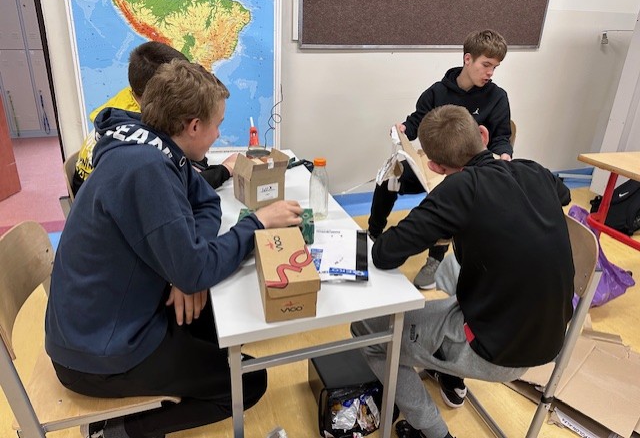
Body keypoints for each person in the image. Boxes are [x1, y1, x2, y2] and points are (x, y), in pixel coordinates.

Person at [45, 60, 304, 438]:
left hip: (104, 321)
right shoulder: (147, 170)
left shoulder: (155, 144)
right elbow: (195, 268)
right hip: (97, 354)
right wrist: (257, 224)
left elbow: (206, 204)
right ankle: (118, 432)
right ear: (193, 126)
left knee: (219, 317)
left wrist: (189, 262)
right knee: (246, 381)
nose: (219, 134)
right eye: (217, 124)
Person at [352, 105, 574, 438]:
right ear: (483, 135)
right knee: (448, 269)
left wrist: (440, 224)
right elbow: (564, 195)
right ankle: (443, 364)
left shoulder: (457, 191)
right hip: (551, 337)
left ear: (434, 167)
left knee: (368, 332)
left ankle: (435, 433)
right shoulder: (534, 170)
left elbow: (384, 253)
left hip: (498, 350)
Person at [367, 29, 513, 292]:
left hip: (468, 171)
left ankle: (434, 261)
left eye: (495, 67)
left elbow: (502, 136)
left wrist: (504, 154)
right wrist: (403, 129)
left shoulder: (497, 97)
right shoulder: (437, 92)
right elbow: (417, 121)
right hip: (434, 163)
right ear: (467, 59)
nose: (490, 73)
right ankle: (374, 232)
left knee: (449, 203)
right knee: (389, 177)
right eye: (486, 65)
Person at [71, 40, 236, 195]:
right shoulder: (143, 129)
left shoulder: (129, 98)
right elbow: (181, 187)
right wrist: (226, 169)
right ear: (160, 87)